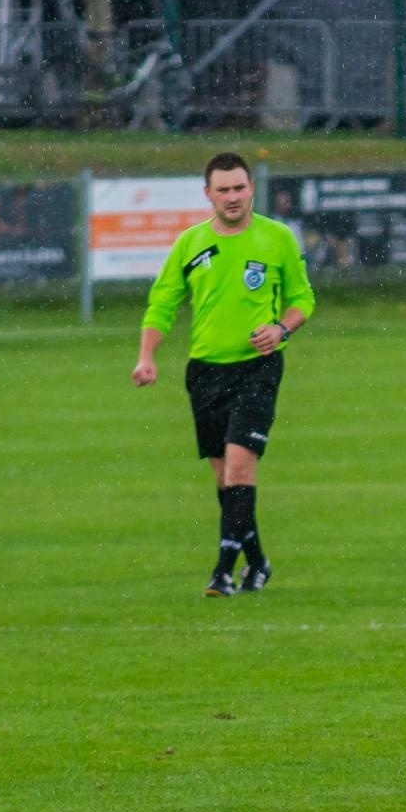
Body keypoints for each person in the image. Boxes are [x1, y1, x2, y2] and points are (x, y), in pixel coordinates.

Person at [133, 152, 316, 597]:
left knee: (239, 465)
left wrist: (281, 328)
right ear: (208, 194)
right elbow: (162, 304)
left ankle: (222, 572)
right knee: (226, 479)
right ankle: (258, 562)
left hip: (258, 368)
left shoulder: (277, 238)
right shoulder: (190, 243)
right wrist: (146, 356)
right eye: (223, 190)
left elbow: (303, 299)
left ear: (252, 188)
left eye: (239, 188)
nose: (232, 197)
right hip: (205, 373)